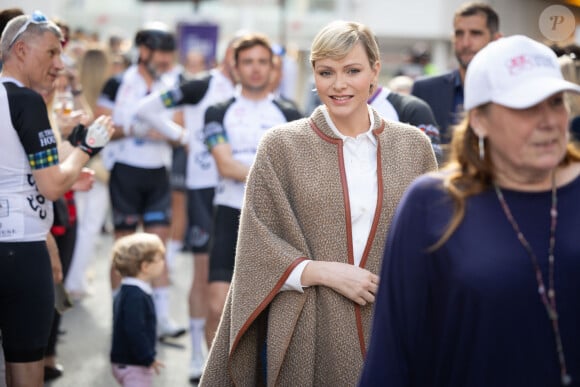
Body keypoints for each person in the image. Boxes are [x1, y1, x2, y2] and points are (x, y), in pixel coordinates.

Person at [199, 21, 436, 386]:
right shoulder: (280, 145)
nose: (338, 85)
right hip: (308, 328)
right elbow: (255, 247)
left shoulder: (412, 146)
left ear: (375, 70)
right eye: (326, 72)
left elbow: (431, 242)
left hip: (394, 323)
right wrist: (322, 271)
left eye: (352, 71)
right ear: (314, 73)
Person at [359, 35, 580, 387]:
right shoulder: (431, 205)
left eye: (556, 102)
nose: (549, 120)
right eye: (526, 106)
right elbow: (393, 354)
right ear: (479, 120)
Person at [0, 12, 112, 386]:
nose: (59, 64)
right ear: (20, 50)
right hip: (20, 247)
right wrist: (87, 146)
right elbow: (50, 185)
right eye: (50, 53)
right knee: (26, 368)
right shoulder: (27, 102)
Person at [135, 35, 237, 383]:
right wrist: (183, 138)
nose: (251, 67)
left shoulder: (262, 99)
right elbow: (144, 110)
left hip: (243, 191)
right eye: (242, 58)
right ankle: (198, 356)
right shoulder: (200, 86)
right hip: (205, 188)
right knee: (205, 274)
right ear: (228, 58)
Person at [105, 23, 187, 340]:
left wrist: (152, 127)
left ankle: (162, 318)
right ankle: (119, 315)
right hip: (126, 169)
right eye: (161, 53)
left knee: (157, 246)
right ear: (144, 51)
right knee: (123, 247)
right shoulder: (117, 82)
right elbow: (104, 124)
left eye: (170, 53)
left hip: (157, 174)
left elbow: (179, 127)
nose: (167, 60)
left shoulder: (172, 84)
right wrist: (135, 129)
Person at [412, 1, 501, 144]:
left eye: (475, 33)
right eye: (459, 33)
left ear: (496, 40)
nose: (465, 43)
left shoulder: (513, 90)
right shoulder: (425, 91)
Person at [110, 233, 165, 387]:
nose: (163, 262)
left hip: (125, 362)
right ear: (145, 266)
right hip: (133, 364)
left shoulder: (128, 290)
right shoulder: (136, 296)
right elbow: (134, 329)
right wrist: (148, 357)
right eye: (160, 258)